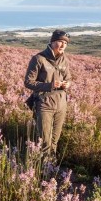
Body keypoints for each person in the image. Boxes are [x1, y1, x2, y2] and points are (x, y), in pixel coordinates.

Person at [24, 29, 72, 164]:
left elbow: (69, 77)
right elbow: (28, 82)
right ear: (52, 42)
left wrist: (67, 84)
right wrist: (50, 85)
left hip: (61, 105)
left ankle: (51, 166)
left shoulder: (64, 60)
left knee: (54, 141)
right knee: (45, 141)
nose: (62, 45)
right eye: (59, 42)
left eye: (65, 43)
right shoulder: (39, 59)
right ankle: (45, 172)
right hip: (45, 105)